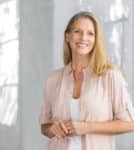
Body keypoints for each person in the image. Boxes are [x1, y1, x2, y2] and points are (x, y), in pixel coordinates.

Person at [39, 11, 134, 150]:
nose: (84, 37)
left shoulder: (110, 76)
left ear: (96, 39)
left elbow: (129, 123)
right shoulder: (54, 79)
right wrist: (52, 129)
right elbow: (44, 126)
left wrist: (87, 127)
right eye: (77, 31)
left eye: (90, 33)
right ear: (67, 36)